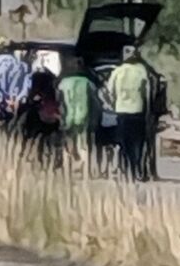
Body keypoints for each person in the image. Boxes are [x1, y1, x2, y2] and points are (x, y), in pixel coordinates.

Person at [106, 45, 148, 183]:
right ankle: (137, 170)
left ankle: (125, 170)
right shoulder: (141, 70)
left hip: (121, 111)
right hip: (137, 110)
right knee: (137, 142)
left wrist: (113, 103)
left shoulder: (117, 71)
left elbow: (109, 92)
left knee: (123, 142)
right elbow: (146, 91)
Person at [57, 56, 97, 182]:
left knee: (68, 144)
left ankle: (68, 172)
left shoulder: (63, 83)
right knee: (83, 143)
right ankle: (85, 173)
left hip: (68, 117)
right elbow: (95, 100)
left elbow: (59, 101)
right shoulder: (87, 82)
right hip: (84, 115)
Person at [0, 47, 32, 134]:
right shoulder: (22, 66)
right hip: (9, 97)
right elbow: (27, 83)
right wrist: (19, 97)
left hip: (7, 97)